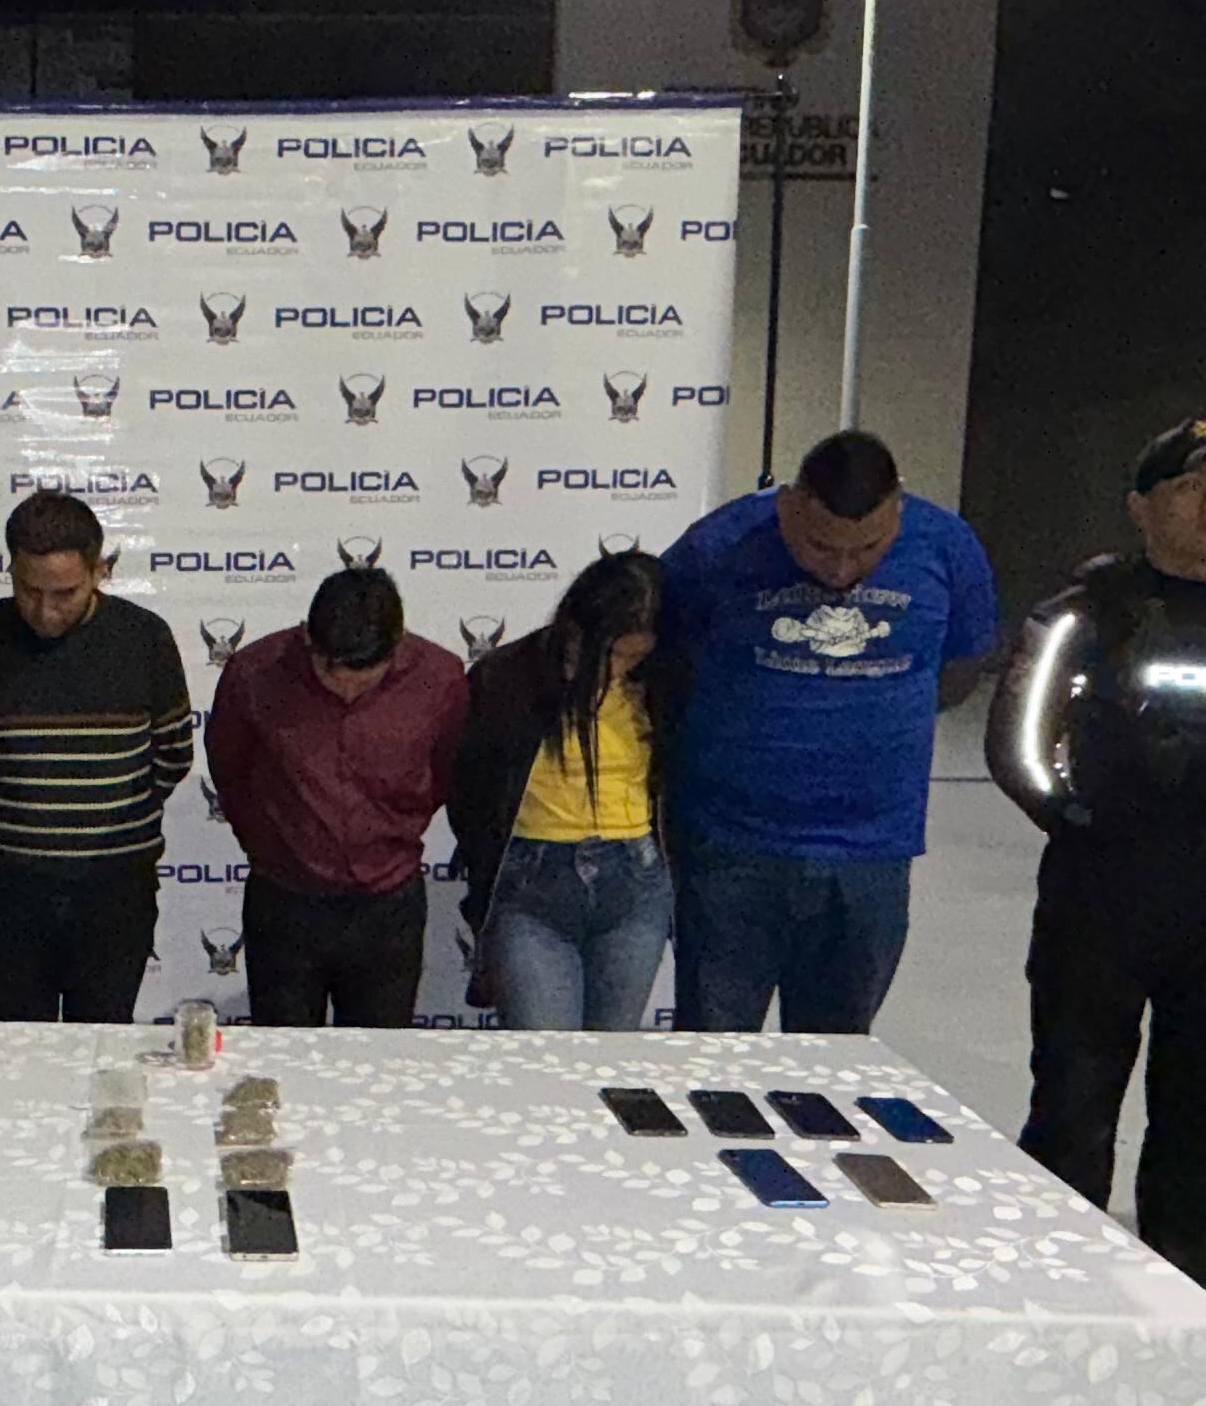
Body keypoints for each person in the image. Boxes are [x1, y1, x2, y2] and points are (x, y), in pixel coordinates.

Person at [995, 419, 1206, 1397]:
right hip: (1106, 893)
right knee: (1073, 1110)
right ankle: (1062, 1314)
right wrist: (1080, 820)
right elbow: (1018, 744)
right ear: (1142, 508)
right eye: (1193, 486)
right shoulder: (1087, 612)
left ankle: (1198, 1324)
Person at [660, 430, 1000, 1033]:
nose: (842, 569)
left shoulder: (947, 545)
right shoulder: (719, 546)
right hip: (731, 847)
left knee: (837, 1056)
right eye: (819, 546)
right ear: (789, 504)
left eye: (868, 548)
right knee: (713, 1052)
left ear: (898, 507)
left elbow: (964, 665)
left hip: (873, 850)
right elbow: (660, 659)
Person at [0, 490, 195, 1021]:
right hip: (5, 892)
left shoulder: (144, 639)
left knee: (104, 1041)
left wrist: (102, 819)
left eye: (64, 593)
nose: (45, 610)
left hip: (114, 890)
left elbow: (173, 754)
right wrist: (19, 823)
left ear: (99, 572)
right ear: (10, 568)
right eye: (28, 590)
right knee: (15, 1049)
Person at [202, 566, 467, 1027]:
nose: (346, 688)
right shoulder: (254, 673)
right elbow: (231, 770)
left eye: (365, 677)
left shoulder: (440, 678)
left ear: (397, 645)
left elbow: (450, 770)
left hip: (389, 903)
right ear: (308, 638)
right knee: (280, 1054)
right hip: (284, 900)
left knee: (380, 1056)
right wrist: (276, 844)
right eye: (331, 671)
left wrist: (394, 828)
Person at [449, 551, 677, 1031]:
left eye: (635, 657)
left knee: (611, 1060)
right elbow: (470, 796)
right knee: (544, 1059)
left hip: (635, 883)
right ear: (575, 627)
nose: (619, 668)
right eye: (611, 654)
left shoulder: (661, 679)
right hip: (532, 885)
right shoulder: (505, 676)